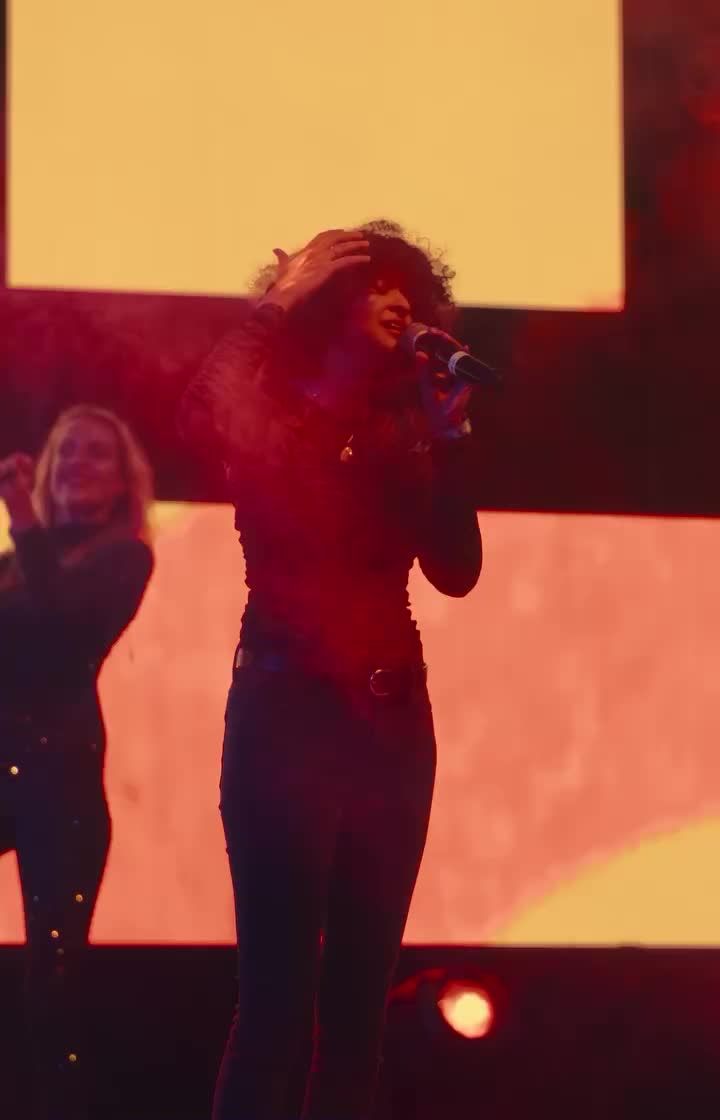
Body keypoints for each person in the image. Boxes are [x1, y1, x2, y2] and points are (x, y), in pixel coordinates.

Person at [179, 220, 482, 1120]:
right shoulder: (267, 415)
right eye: (374, 283)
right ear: (328, 305)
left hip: (393, 729)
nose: (399, 300)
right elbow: (197, 413)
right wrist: (278, 303)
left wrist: (449, 442)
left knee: (356, 1024)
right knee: (276, 1011)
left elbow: (456, 570)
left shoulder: (407, 427)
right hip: (286, 718)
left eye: (407, 287)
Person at [0, 404, 154, 1120]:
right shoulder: (14, 564)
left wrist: (22, 520)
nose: (76, 464)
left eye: (96, 453)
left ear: (124, 483)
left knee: (53, 987)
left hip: (59, 787)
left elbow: (61, 632)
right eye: (66, 452)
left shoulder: (123, 559)